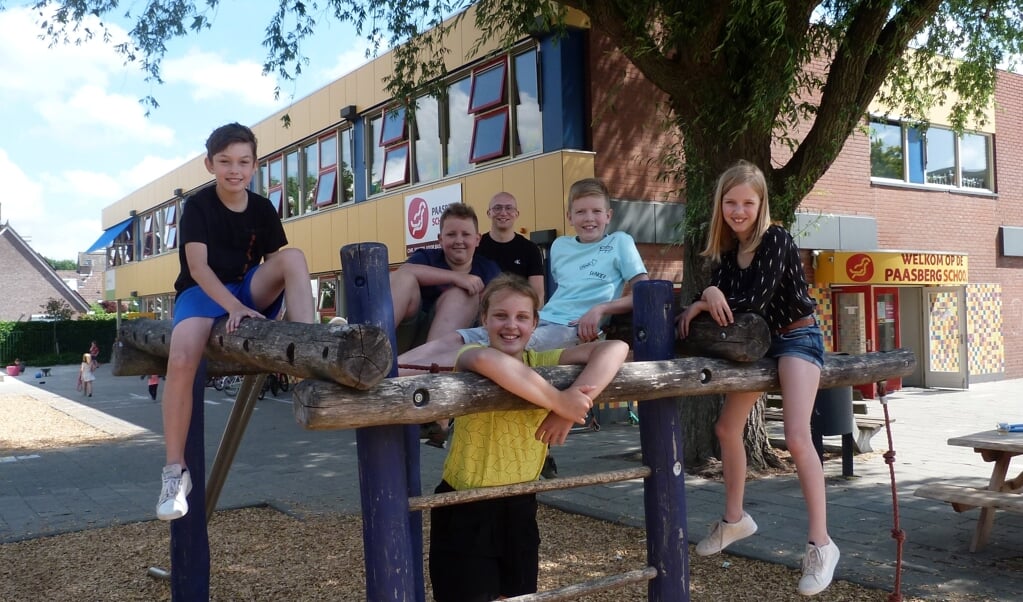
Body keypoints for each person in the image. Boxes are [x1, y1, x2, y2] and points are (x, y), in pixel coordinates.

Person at [676, 160, 837, 597]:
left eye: (748, 202)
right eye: (730, 202)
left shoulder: (775, 239)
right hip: (756, 345)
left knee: (797, 436)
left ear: (762, 203)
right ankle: (735, 519)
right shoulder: (730, 253)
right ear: (720, 205)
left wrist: (709, 297)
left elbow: (753, 301)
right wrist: (703, 296)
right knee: (727, 427)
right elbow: (722, 300)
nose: (739, 210)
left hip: (797, 337)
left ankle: (822, 544)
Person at [428, 274, 628, 602]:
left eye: (522, 317)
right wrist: (560, 400)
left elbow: (615, 348)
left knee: (517, 595)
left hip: (520, 503)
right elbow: (486, 361)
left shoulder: (543, 362)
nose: (511, 325)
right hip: (465, 505)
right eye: (501, 316)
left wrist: (567, 410)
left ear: (535, 323)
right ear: (484, 320)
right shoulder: (469, 355)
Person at [156, 122, 315, 521]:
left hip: (247, 288)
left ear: (255, 165)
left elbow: (277, 266)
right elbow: (198, 267)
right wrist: (233, 308)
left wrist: (256, 306)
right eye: (225, 161)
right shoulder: (198, 206)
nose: (235, 170)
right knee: (181, 359)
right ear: (210, 164)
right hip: (201, 292)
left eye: (244, 162)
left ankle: (308, 356)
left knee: (294, 257)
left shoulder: (262, 208)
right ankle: (175, 472)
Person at [399, 177, 648, 373]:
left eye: (596, 211)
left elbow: (645, 293)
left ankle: (403, 378)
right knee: (460, 337)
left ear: (608, 215)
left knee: (486, 346)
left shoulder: (620, 242)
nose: (589, 218)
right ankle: (390, 369)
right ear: (569, 217)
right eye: (581, 212)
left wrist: (601, 309)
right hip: (542, 319)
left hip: (572, 328)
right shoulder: (560, 246)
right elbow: (563, 294)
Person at [390, 202, 501, 353]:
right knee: (404, 278)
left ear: (477, 239)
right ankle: (370, 347)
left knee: (463, 294)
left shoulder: (489, 270)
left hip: (447, 344)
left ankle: (431, 363)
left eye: (466, 234)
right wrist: (457, 277)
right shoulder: (426, 258)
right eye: (451, 234)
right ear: (440, 239)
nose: (459, 241)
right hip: (403, 336)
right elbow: (403, 272)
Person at [477, 192, 545, 303]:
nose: (503, 213)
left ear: (516, 214)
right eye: (497, 208)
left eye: (509, 208)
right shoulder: (476, 246)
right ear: (489, 213)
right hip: (481, 314)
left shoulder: (530, 249)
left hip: (518, 313)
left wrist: (527, 317)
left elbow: (538, 294)